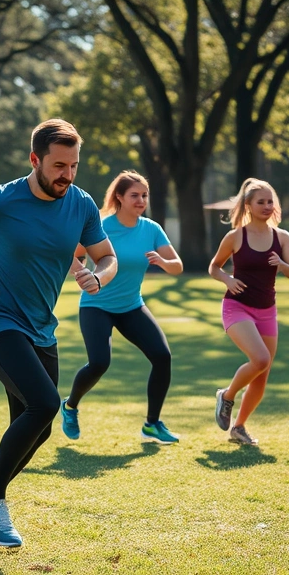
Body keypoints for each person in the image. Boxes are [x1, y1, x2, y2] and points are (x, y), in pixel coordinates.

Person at [0, 119, 116, 547]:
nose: (67, 175)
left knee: (38, 429)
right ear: (35, 159)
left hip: (41, 328)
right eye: (59, 166)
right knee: (44, 404)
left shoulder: (81, 204)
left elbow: (107, 256)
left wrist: (99, 276)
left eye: (74, 166)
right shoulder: (1, 201)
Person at [60, 170, 183, 444]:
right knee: (99, 363)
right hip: (96, 305)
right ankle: (70, 406)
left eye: (144, 196)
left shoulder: (151, 229)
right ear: (119, 197)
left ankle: (152, 424)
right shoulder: (101, 227)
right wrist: (83, 274)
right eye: (134, 195)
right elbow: (71, 254)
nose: (141, 201)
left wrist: (163, 262)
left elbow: (177, 266)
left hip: (131, 306)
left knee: (162, 357)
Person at [209, 179, 289, 445]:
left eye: (270, 201)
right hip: (236, 307)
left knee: (261, 377)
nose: (267, 206)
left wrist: (281, 263)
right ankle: (227, 395)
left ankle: (239, 428)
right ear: (248, 205)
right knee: (260, 359)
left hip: (267, 311)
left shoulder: (282, 237)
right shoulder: (236, 236)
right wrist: (227, 280)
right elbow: (214, 267)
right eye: (261, 202)